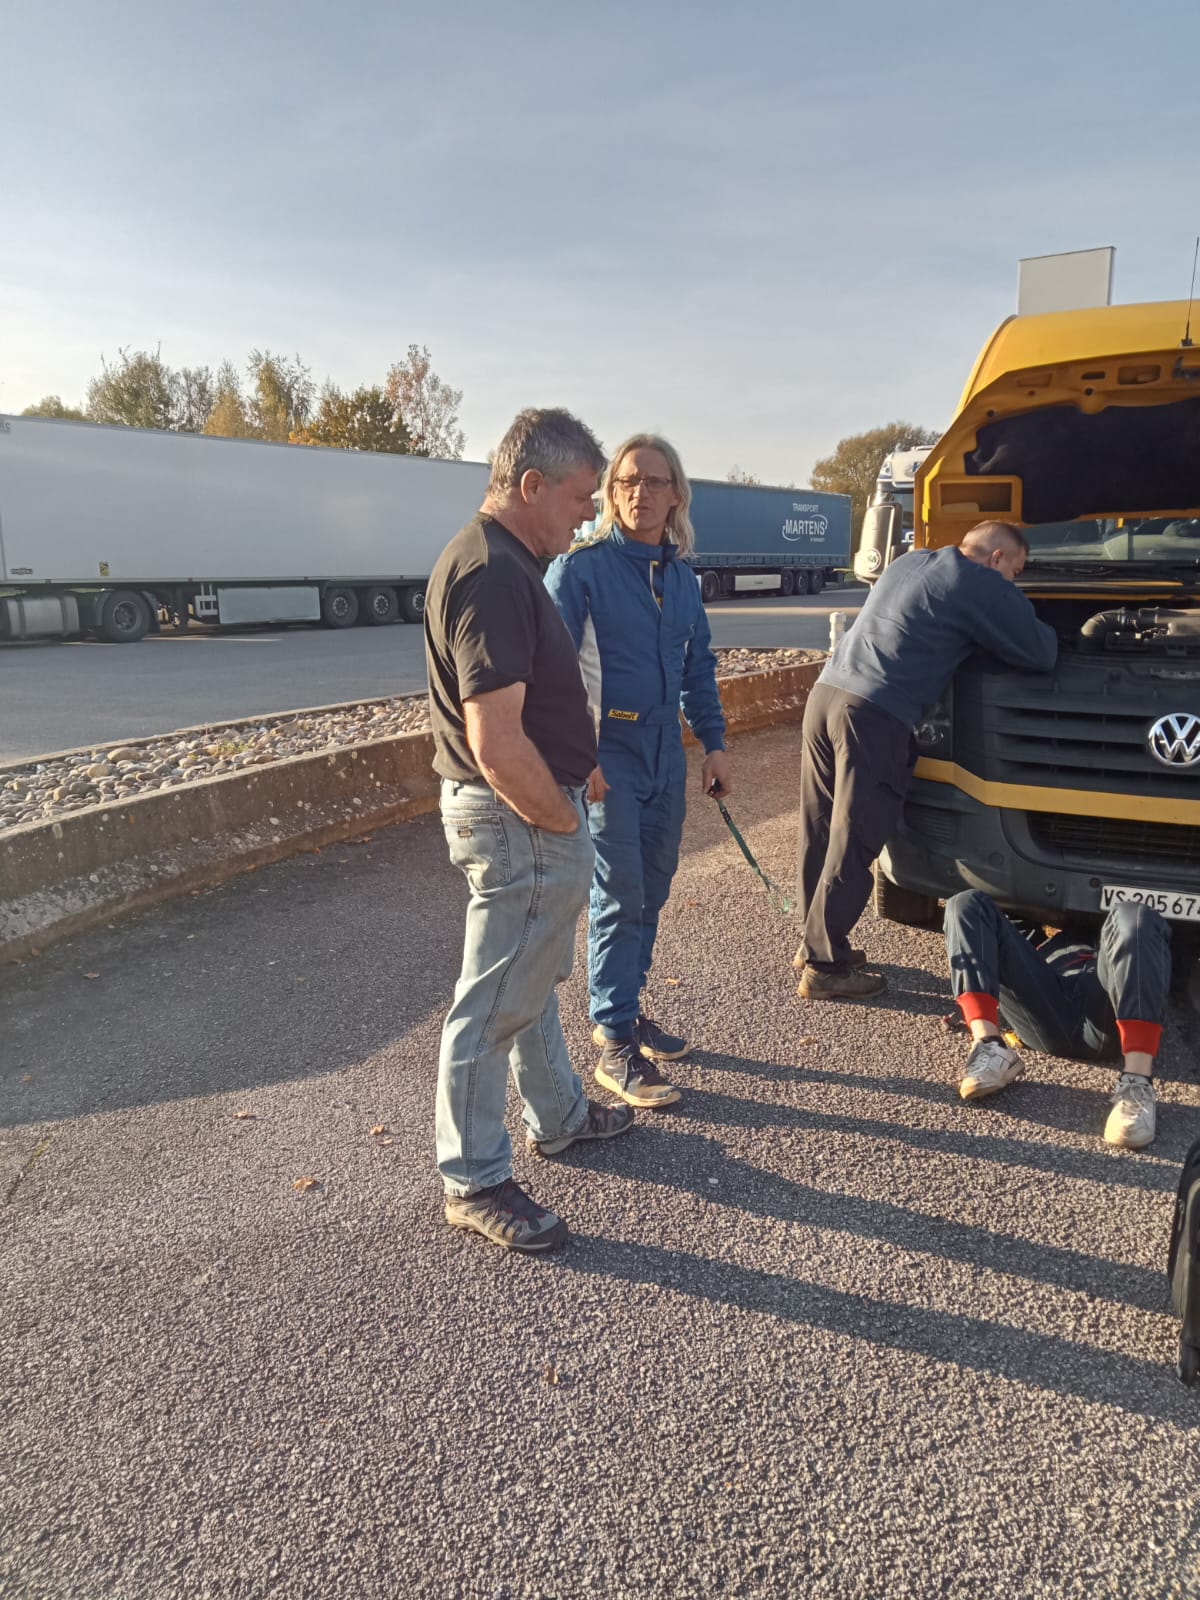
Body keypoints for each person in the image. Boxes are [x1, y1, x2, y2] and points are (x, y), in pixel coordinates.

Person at [424, 408, 635, 1255]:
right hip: (516, 817)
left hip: (525, 809)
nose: (588, 513)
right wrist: (561, 823)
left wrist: (572, 771)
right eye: (583, 496)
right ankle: (473, 1177)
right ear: (531, 485)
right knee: (495, 1000)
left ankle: (562, 1117)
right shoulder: (493, 574)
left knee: (529, 977)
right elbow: (495, 738)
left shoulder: (502, 561)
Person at [795, 521, 1057, 1001]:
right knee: (856, 835)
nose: (1013, 581)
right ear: (997, 557)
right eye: (1014, 571)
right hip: (873, 714)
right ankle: (824, 967)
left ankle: (815, 941)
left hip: (827, 694)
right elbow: (1039, 652)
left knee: (821, 825)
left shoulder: (911, 561)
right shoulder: (976, 581)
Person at [545, 434, 730, 1109]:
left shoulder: (680, 575)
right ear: (609, 492)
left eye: (654, 481)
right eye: (626, 480)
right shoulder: (581, 571)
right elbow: (552, 676)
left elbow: (697, 665)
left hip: (663, 753)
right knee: (619, 893)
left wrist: (712, 742)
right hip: (606, 755)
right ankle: (616, 1039)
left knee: (653, 888)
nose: (639, 493)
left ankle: (622, 1005)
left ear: (677, 493)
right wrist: (580, 757)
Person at [944, 889, 1170, 1149]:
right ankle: (989, 1045)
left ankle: (1137, 1084)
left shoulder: (1123, 934)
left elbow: (1152, 959)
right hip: (1045, 1007)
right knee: (966, 902)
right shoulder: (1036, 934)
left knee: (1136, 913)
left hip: (1106, 1011)